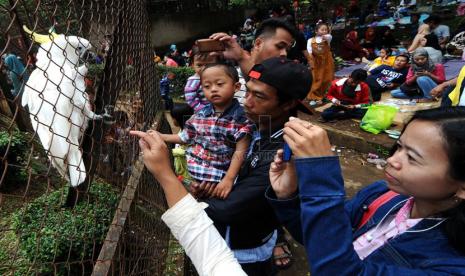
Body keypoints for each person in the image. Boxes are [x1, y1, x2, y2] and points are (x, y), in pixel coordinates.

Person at [131, 57, 312, 275]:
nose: (247, 102)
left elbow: (227, 210)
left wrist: (176, 181)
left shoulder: (283, 153)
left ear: (289, 103)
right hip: (227, 233)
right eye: (248, 92)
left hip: (243, 247)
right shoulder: (256, 122)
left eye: (259, 96)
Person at [266, 106, 465, 274]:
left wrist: (320, 175)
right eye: (399, 147)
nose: (391, 160)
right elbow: (323, 240)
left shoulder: (451, 263)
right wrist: (289, 196)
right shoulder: (382, 195)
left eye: (412, 158)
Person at [159, 63, 253, 200]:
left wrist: (228, 179)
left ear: (236, 87)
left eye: (220, 84)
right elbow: (185, 137)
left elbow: (241, 151)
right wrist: (161, 136)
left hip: (221, 181)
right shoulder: (200, 115)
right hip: (195, 179)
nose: (213, 90)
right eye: (207, 87)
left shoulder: (241, 119)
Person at [184, 45, 218, 112]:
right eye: (199, 65)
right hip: (204, 114)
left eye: (208, 65)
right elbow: (191, 100)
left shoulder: (216, 77)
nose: (204, 68)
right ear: (192, 65)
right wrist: (205, 110)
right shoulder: (194, 81)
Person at [306, 22, 335, 101]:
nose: (324, 31)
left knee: (327, 78)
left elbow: (328, 36)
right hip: (316, 62)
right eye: (322, 29)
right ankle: (315, 95)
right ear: (316, 31)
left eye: (326, 30)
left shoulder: (328, 38)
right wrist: (310, 61)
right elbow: (309, 52)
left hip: (327, 61)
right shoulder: (310, 40)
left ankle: (326, 95)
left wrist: (324, 34)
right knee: (316, 79)